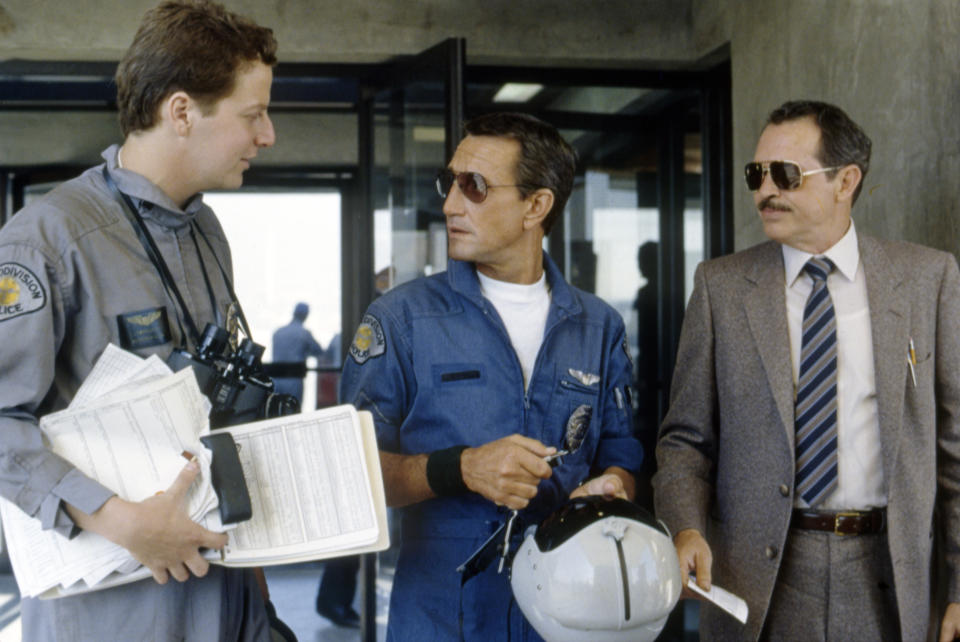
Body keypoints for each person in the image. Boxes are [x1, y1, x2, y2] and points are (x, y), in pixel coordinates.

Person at [0, 1, 278, 639]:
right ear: (181, 112)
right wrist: (118, 518)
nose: (267, 135)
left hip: (225, 591)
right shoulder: (48, 240)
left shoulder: (206, 229)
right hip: (115, 604)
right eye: (253, 114)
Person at [653, 99, 960, 640]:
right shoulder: (721, 288)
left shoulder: (926, 279)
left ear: (846, 182)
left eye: (786, 175)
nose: (765, 191)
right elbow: (684, 441)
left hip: (890, 576)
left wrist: (959, 584)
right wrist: (684, 528)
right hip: (759, 581)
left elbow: (954, 449)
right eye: (757, 174)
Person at [340, 111, 642, 640]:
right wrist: (463, 468)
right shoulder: (400, 319)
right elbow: (349, 476)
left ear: (536, 205)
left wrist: (613, 485)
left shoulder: (598, 326)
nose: (450, 204)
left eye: (474, 187)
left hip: (569, 612)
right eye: (449, 183)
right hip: (441, 614)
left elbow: (621, 452)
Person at [271, 301, 325, 402]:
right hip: (293, 379)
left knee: (275, 411)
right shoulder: (304, 333)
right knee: (293, 411)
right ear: (306, 316)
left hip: (276, 379)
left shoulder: (278, 332)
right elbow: (318, 351)